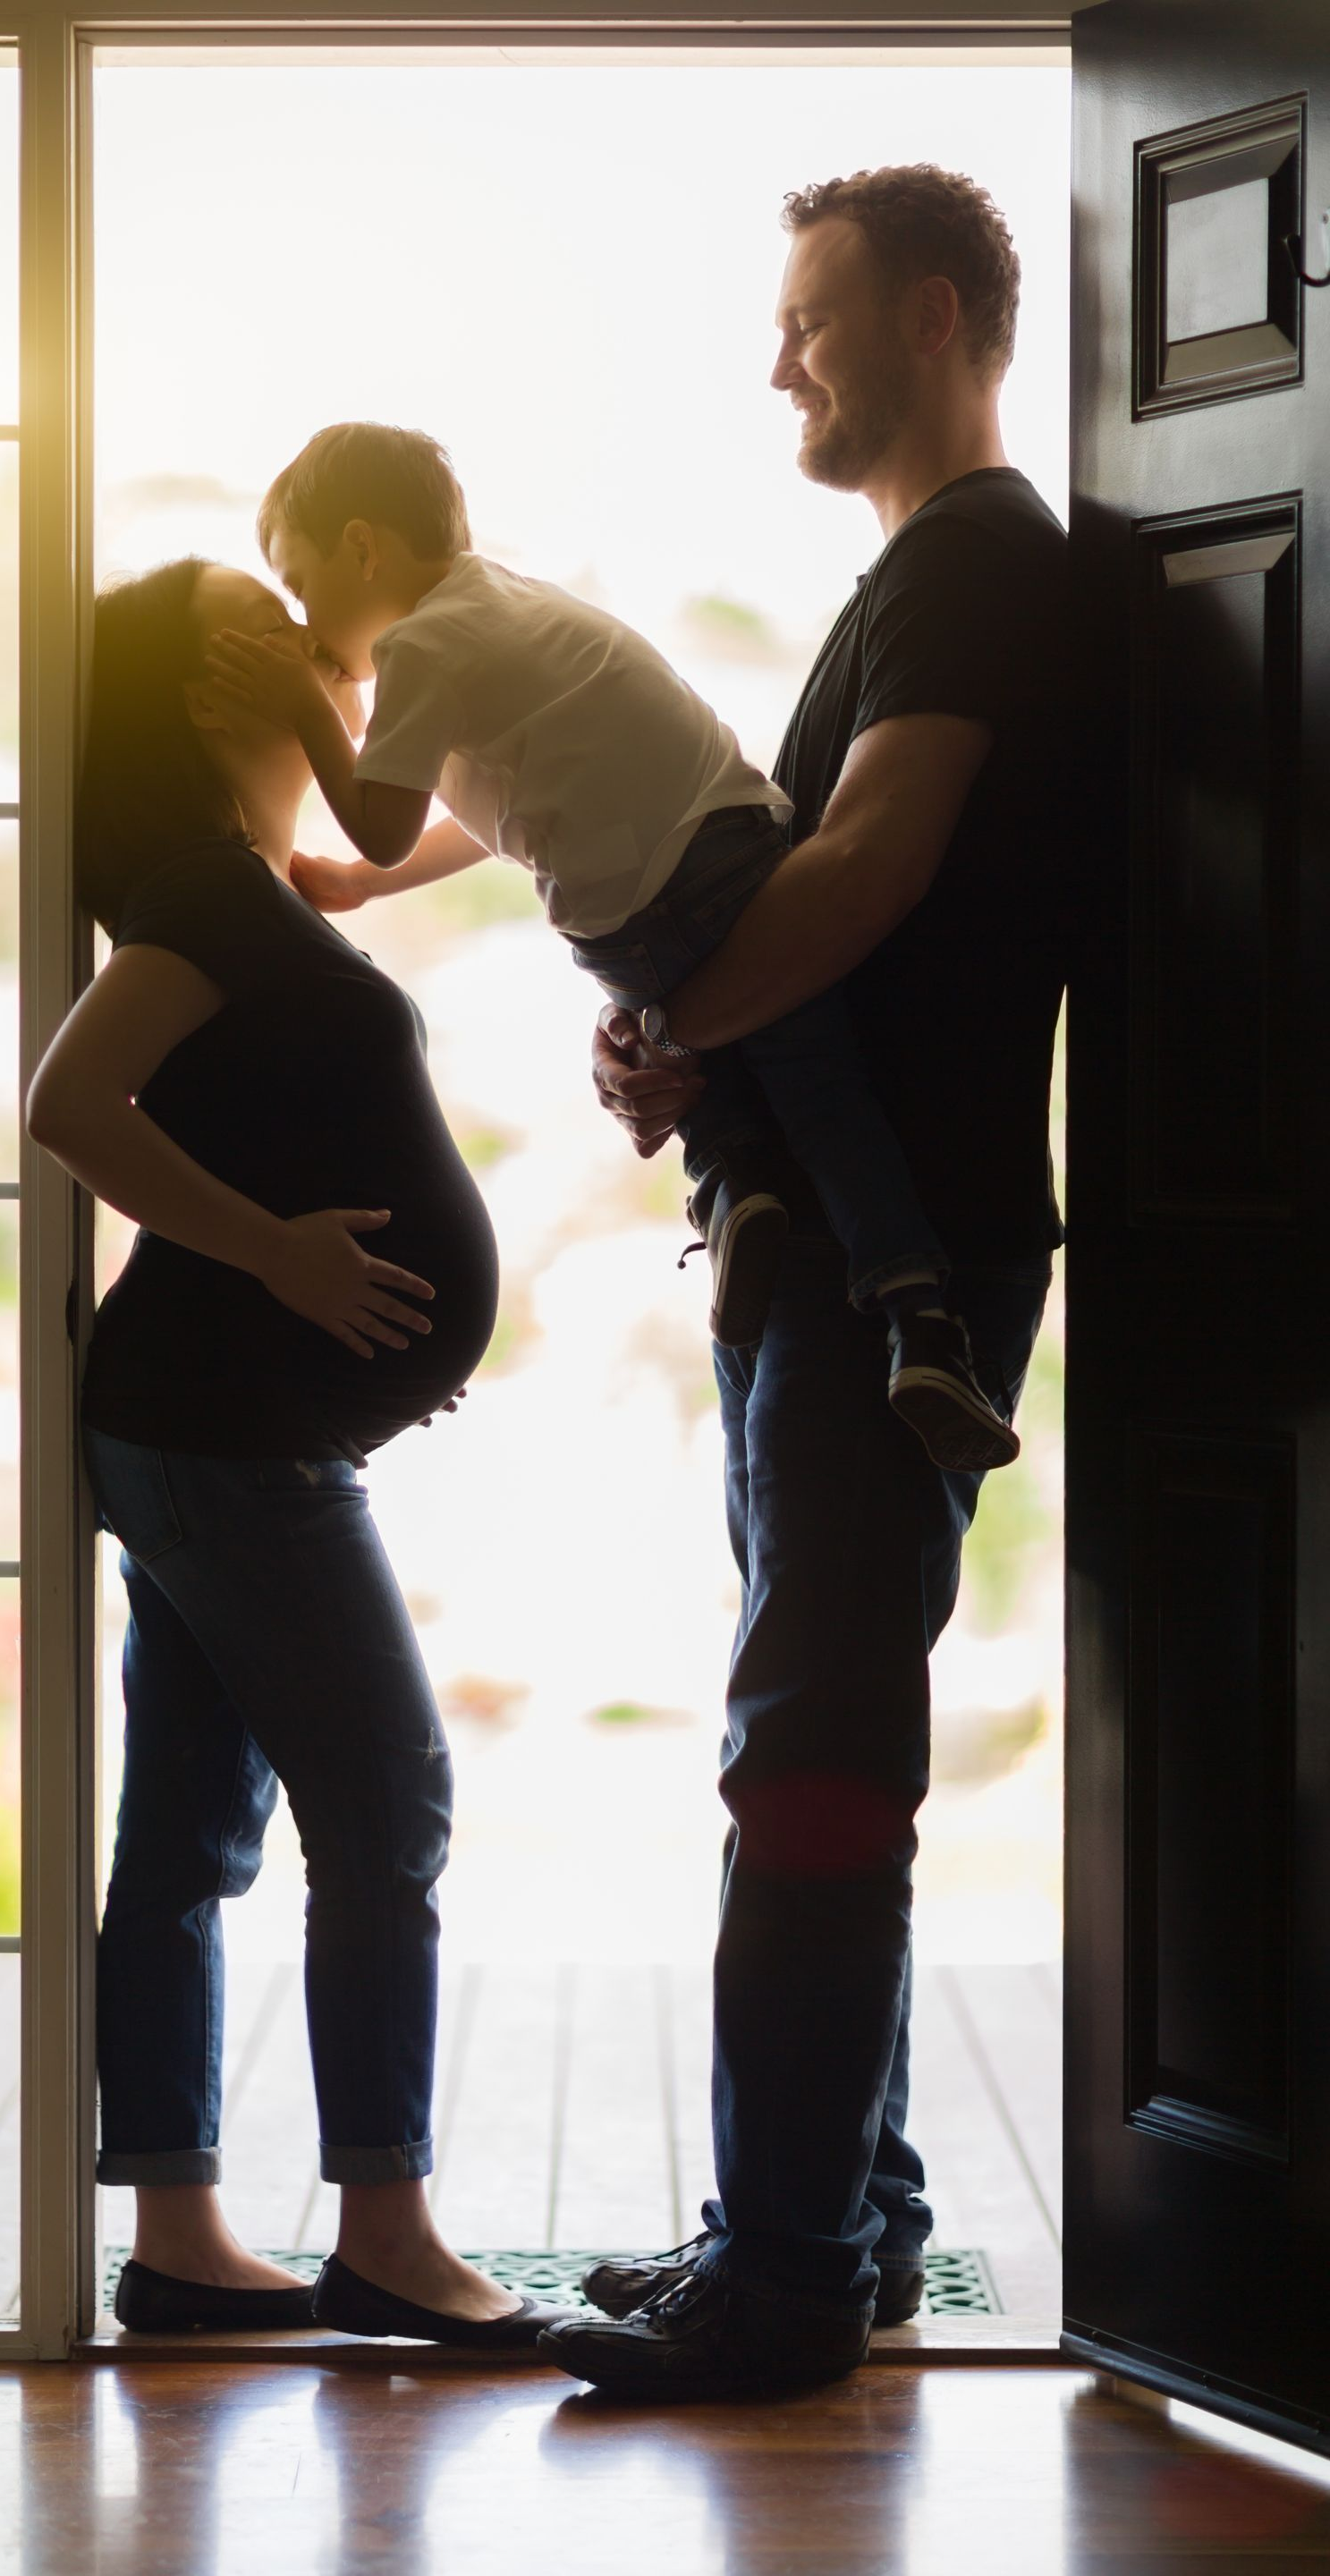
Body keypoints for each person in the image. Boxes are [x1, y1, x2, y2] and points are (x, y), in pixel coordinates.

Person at [536, 165, 1076, 2398]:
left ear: (936, 317)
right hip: (825, 1267)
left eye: (812, 321)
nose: (780, 360)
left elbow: (857, 876)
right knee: (821, 1736)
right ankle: (845, 2230)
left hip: (898, 1272)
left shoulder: (974, 567)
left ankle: (778, 2283)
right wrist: (677, 1041)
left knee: (805, 1756)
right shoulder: (909, 579)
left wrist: (701, 1013)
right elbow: (797, 943)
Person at [27, 555, 567, 2350]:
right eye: (246, 615)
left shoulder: (259, 885)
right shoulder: (194, 892)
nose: (289, 626)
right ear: (198, 691)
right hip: (220, 1435)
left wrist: (384, 1334)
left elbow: (380, 858)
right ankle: (389, 2227)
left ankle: (180, 2240)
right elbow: (68, 1103)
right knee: (391, 1800)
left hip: (226, 1427)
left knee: (189, 1830)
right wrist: (280, 1253)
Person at [202, 424, 1019, 1473]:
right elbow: (499, 815)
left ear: (364, 548)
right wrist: (369, 887)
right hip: (745, 851)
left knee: (665, 1017)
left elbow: (382, 818)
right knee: (826, 1094)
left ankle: (733, 1181)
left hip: (640, 921)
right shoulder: (509, 601)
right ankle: (922, 1325)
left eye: (302, 583)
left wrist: (305, 714)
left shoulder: (417, 648)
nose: (308, 619)